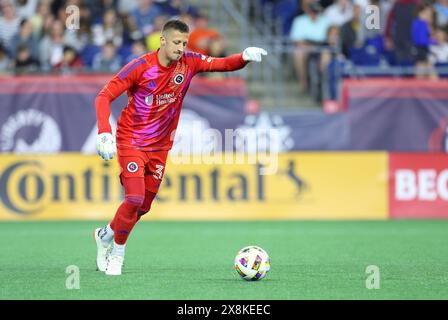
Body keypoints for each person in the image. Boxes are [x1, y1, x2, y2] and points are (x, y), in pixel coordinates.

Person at [93, 19, 267, 276]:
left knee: (143, 207)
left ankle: (105, 234)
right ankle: (117, 253)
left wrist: (244, 57)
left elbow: (222, 64)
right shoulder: (140, 67)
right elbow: (103, 96)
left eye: (184, 43)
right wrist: (104, 132)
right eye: (176, 42)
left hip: (161, 146)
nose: (181, 48)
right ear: (162, 41)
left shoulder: (189, 62)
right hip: (132, 140)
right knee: (133, 197)